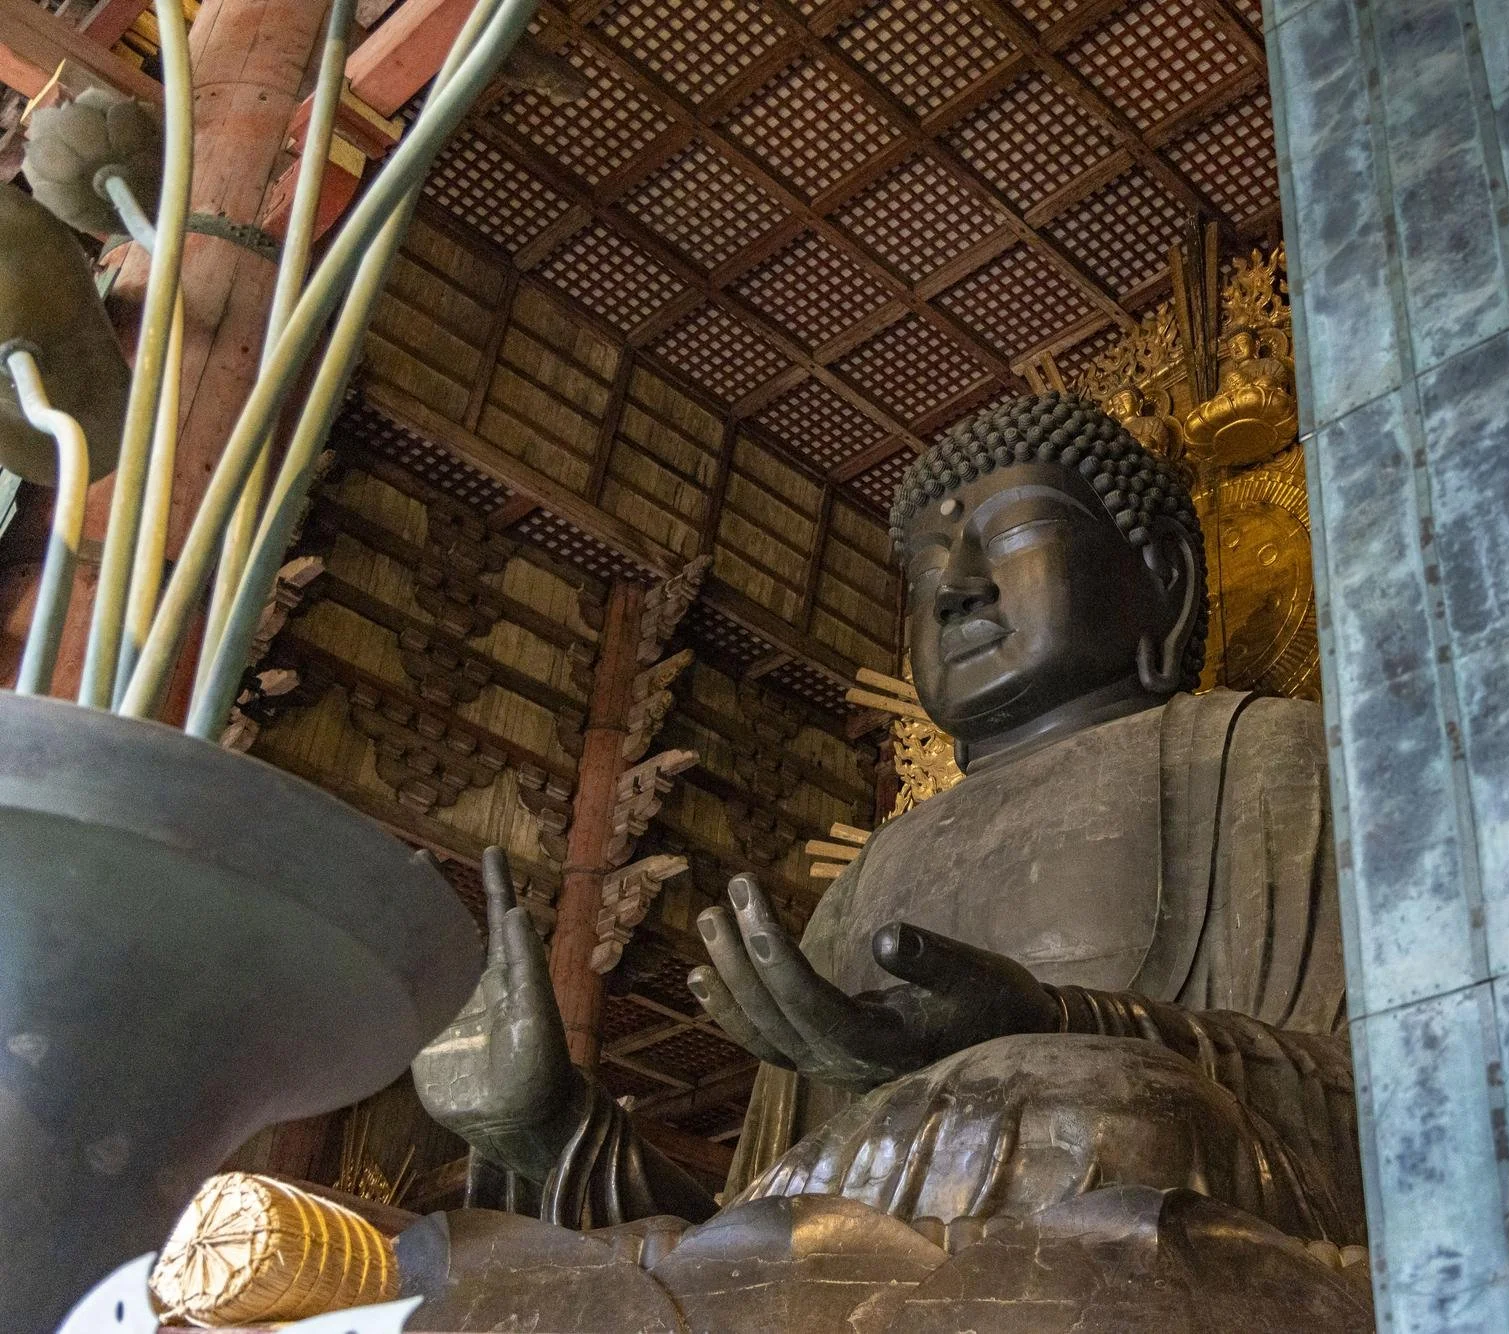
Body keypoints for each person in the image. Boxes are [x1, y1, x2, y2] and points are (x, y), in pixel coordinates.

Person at [407, 393, 1369, 1329]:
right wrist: (549, 1130)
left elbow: (1393, 1092)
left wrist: (1057, 1020)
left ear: (1160, 576)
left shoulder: (1267, 756)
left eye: (1014, 532)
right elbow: (770, 1221)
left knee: (1092, 1108)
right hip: (896, 1282)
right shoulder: (873, 872)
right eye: (925, 569)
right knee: (457, 1259)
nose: (957, 585)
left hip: (1149, 1182)